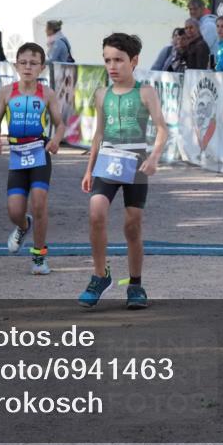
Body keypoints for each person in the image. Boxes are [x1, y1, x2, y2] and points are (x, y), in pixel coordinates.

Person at [80, 33, 167, 309]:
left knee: (132, 226)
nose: (112, 66)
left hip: (136, 161)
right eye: (107, 60)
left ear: (134, 61)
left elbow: (163, 128)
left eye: (118, 60)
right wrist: (88, 169)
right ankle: (99, 275)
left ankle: (136, 285)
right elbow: (98, 134)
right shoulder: (101, 94)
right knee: (96, 213)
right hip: (107, 160)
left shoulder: (145, 92)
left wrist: (154, 157)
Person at [0, 43, 65, 275]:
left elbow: (60, 123)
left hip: (39, 154)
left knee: (40, 203)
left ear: (42, 68)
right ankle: (24, 225)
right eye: (23, 63)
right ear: (16, 65)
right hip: (17, 155)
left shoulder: (47, 93)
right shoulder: (6, 92)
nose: (28, 67)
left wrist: (55, 140)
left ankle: (39, 257)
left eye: (33, 63)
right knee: (14, 211)